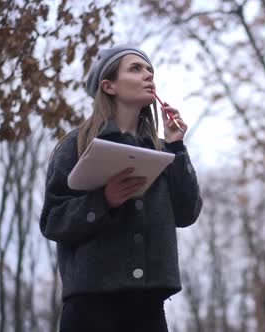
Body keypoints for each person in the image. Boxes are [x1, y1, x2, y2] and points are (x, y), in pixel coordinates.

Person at [40, 45, 203, 332]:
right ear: (109, 85)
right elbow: (53, 221)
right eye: (135, 69)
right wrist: (103, 201)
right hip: (90, 310)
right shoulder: (75, 146)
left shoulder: (163, 151)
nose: (148, 75)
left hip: (150, 308)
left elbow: (187, 213)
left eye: (150, 71)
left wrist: (176, 145)